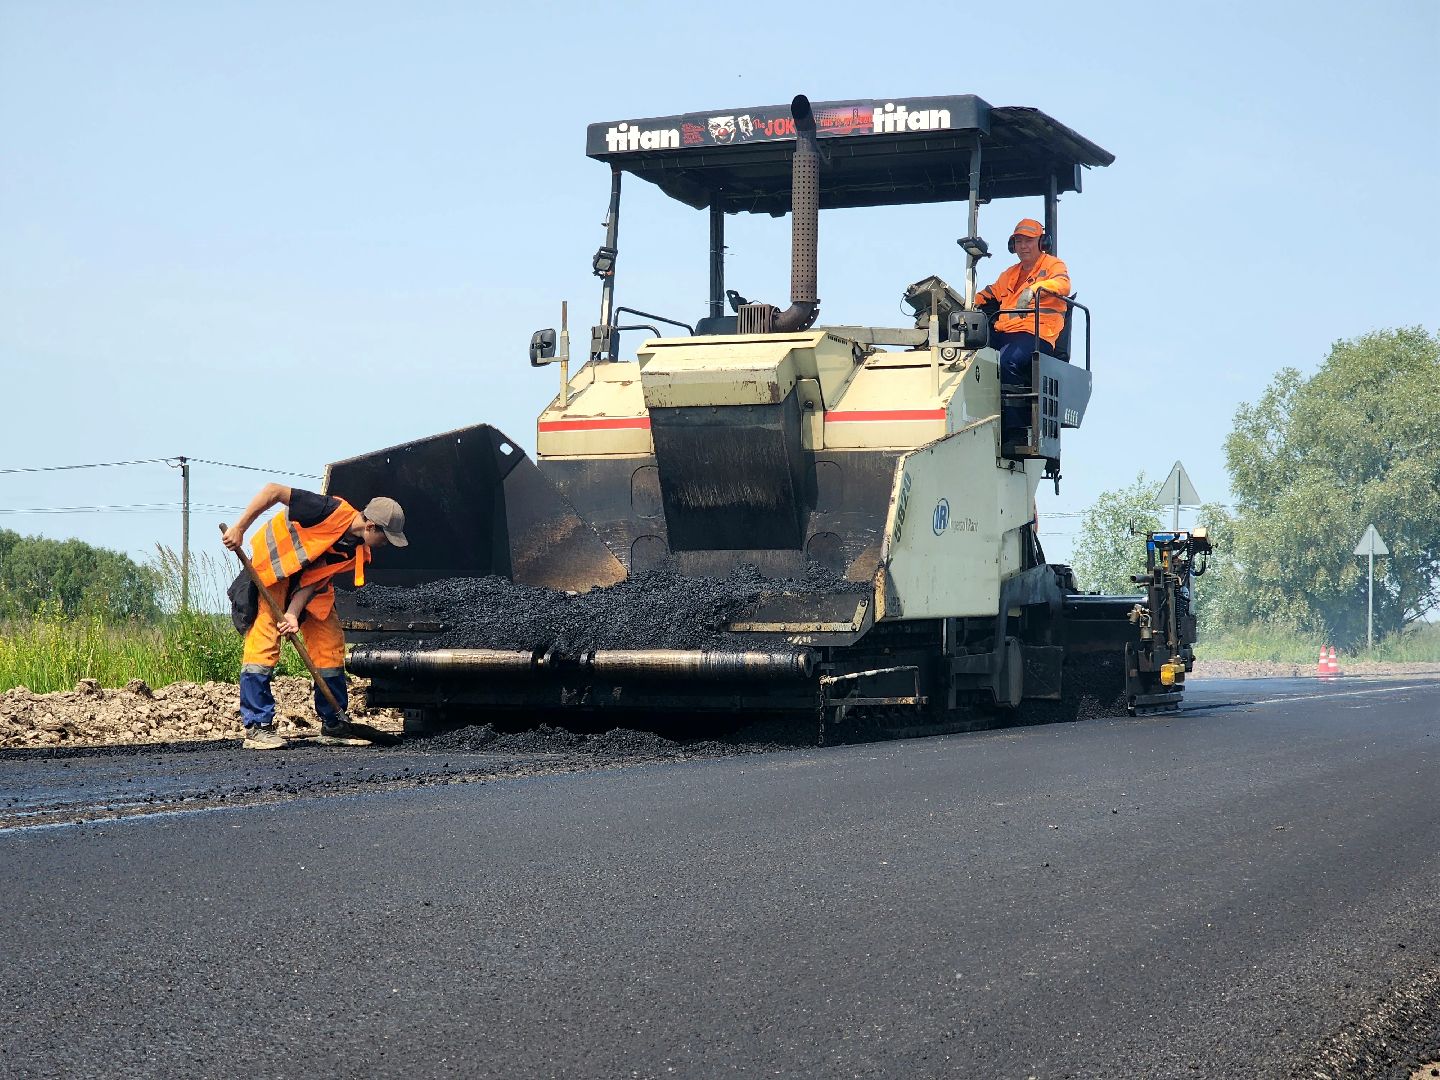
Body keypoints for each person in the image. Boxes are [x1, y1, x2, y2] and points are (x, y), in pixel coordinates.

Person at [222, 484, 407, 750]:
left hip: (308, 585)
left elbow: (315, 579)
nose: (387, 544)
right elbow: (273, 491)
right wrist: (240, 527)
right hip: (275, 570)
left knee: (329, 644)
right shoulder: (326, 510)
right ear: (371, 527)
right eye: (386, 537)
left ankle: (334, 724)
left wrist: (293, 614)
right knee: (264, 644)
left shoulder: (354, 550)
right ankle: (257, 726)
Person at [975, 218, 1072, 441]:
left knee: (1008, 359)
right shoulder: (1009, 273)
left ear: (1042, 242)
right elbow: (992, 292)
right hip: (1006, 332)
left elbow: (1063, 284)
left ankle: (1015, 431)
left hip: (1038, 334)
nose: (1023, 246)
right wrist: (970, 302)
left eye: (1029, 241)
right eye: (1018, 241)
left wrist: (1034, 289)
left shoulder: (1053, 265)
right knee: (971, 351)